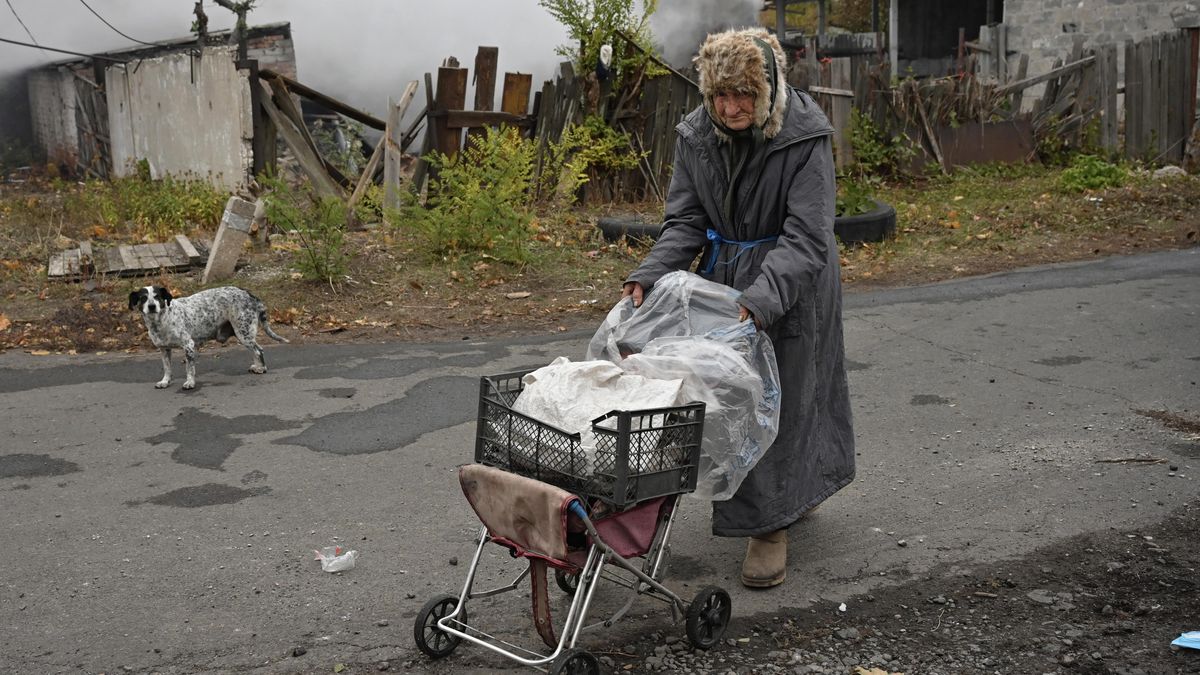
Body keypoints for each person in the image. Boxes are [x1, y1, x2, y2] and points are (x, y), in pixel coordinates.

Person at [620, 27, 855, 588]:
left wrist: (763, 298)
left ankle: (769, 526)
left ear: (767, 89)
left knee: (790, 395)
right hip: (723, 284)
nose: (731, 109)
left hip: (790, 282)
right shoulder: (697, 135)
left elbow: (807, 237)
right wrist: (650, 276)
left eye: (743, 96)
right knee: (732, 396)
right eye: (720, 97)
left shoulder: (803, 136)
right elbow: (685, 222)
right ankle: (779, 498)